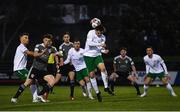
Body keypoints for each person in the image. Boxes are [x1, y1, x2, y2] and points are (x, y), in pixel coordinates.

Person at [11, 33, 46, 103]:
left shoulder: (23, 47)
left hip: (23, 69)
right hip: (19, 69)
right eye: (25, 37)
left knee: (33, 81)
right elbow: (31, 53)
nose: (27, 39)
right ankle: (14, 98)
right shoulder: (21, 47)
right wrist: (41, 53)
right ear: (21, 39)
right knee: (30, 81)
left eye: (27, 38)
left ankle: (35, 98)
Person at [83, 24, 114, 96]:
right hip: (88, 56)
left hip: (97, 55)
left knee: (103, 69)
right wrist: (100, 44)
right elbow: (89, 43)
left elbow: (99, 48)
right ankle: (97, 92)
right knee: (91, 75)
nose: (100, 34)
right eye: (98, 32)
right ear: (95, 30)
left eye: (101, 33)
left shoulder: (103, 37)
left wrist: (103, 51)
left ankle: (106, 87)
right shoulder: (91, 32)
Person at [59, 32, 76, 100]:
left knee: (72, 80)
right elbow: (61, 55)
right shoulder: (61, 46)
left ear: (69, 38)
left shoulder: (72, 45)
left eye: (67, 37)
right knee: (57, 80)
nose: (66, 38)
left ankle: (71, 95)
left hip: (71, 65)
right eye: (65, 37)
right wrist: (61, 62)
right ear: (63, 38)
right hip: (64, 65)